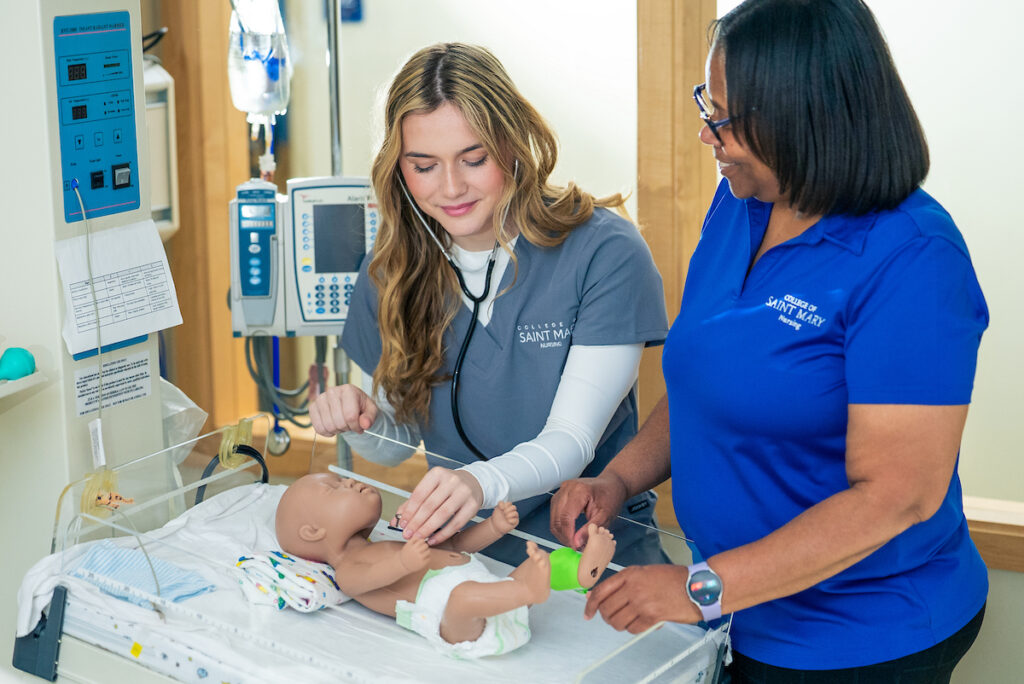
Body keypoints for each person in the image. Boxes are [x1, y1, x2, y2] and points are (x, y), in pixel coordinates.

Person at [550, 0, 989, 680]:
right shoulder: (742, 202)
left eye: (724, 119)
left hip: (861, 637)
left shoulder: (914, 260)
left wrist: (699, 589)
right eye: (708, 105)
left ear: (805, 118)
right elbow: (708, 384)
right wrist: (618, 477)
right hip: (738, 611)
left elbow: (896, 496)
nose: (708, 135)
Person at [308, 42, 670, 567]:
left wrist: (477, 483)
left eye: (474, 159)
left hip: (592, 556)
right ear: (398, 168)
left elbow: (572, 440)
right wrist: (362, 421)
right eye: (424, 166)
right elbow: (397, 445)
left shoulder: (604, 252)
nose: (451, 187)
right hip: (464, 558)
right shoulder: (390, 270)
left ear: (513, 142)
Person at [274, 472, 617, 658]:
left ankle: (580, 572)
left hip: (489, 592)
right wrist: (403, 562)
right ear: (312, 532)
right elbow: (362, 582)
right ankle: (528, 591)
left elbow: (454, 546)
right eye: (334, 488)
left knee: (536, 565)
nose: (348, 480)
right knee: (463, 598)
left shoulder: (382, 544)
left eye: (341, 479)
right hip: (455, 623)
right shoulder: (347, 568)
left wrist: (493, 527)